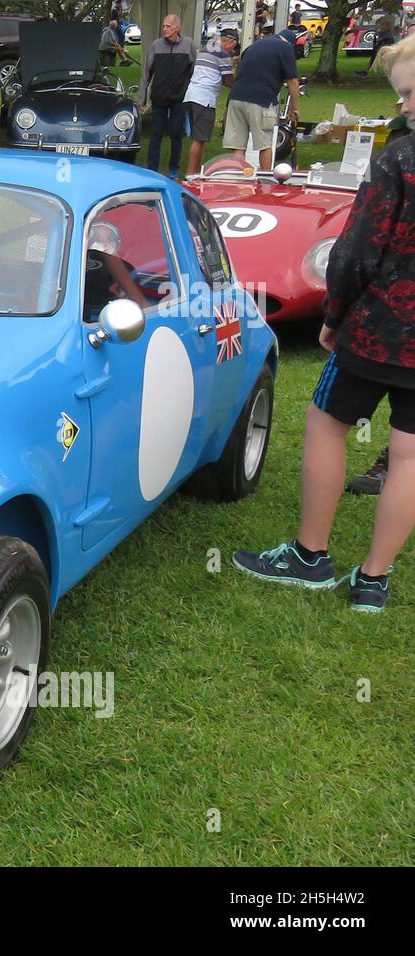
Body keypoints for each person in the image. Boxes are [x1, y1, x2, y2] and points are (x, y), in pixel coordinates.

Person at [234, 35, 415, 613]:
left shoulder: (400, 159)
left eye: (410, 93)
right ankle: (373, 579)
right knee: (411, 455)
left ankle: (311, 555)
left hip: (380, 326)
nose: (404, 106)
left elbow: (357, 248)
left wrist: (334, 317)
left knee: (326, 422)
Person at [224, 27, 298, 170]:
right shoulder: (286, 48)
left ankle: (237, 180)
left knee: (239, 148)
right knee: (265, 145)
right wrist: (295, 109)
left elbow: (240, 71)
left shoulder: (254, 46)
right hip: (261, 100)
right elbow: (293, 81)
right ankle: (266, 184)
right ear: (291, 43)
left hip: (236, 98)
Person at [138, 15, 196, 179]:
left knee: (176, 133)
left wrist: (190, 92)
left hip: (179, 98)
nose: (164, 29)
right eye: (164, 26)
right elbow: (146, 74)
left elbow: (194, 71)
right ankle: (152, 168)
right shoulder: (156, 46)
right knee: (156, 133)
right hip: (159, 96)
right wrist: (141, 99)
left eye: (168, 26)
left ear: (177, 28)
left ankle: (174, 169)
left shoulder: (188, 45)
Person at [183, 28, 238, 177]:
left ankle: (192, 171)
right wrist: (239, 84)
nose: (233, 49)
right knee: (199, 140)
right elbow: (228, 80)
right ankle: (191, 175)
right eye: (234, 45)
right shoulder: (223, 54)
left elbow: (214, 64)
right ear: (230, 42)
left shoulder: (207, 48)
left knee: (196, 137)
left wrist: (233, 60)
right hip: (204, 100)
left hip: (190, 96)